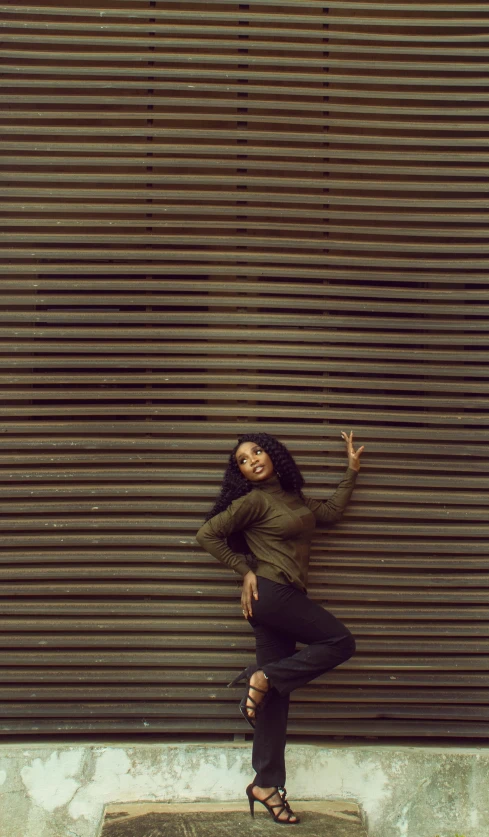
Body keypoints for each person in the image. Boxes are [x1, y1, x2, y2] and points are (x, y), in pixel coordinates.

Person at [196, 430, 364, 825]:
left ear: (273, 456)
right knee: (341, 641)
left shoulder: (290, 498)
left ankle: (265, 784)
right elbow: (207, 535)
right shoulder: (252, 501)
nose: (252, 459)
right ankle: (264, 676)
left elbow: (330, 513)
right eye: (242, 459)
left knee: (274, 700)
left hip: (275, 601)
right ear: (239, 472)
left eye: (257, 451)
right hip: (272, 594)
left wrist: (351, 471)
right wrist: (245, 569)